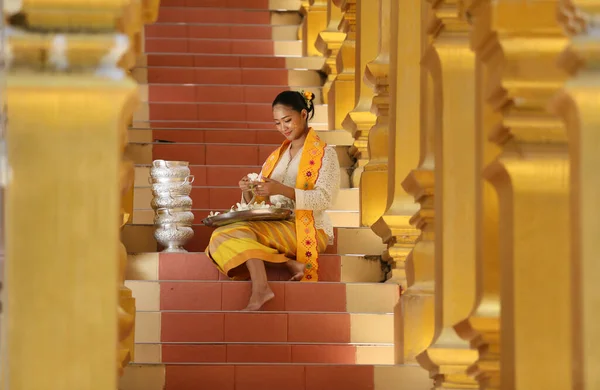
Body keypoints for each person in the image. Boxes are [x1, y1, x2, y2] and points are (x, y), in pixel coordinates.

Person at [206, 90, 341, 311]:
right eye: (277, 123)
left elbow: (324, 199)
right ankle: (285, 266)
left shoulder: (326, 154)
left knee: (231, 234)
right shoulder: (275, 157)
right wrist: (250, 190)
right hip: (277, 224)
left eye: (287, 120)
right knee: (219, 235)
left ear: (304, 114)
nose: (283, 128)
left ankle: (261, 288)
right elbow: (260, 203)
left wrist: (282, 189)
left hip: (310, 227)